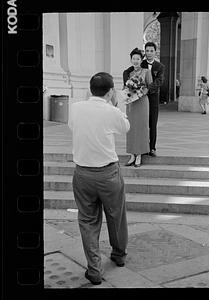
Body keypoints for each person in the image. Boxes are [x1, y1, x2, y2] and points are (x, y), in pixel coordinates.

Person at [68, 72, 130, 285]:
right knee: (116, 216)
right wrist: (115, 105)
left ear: (90, 89)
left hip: (83, 174)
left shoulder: (75, 108)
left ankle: (94, 269)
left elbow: (72, 127)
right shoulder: (111, 111)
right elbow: (125, 128)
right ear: (111, 91)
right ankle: (119, 255)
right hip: (108, 174)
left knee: (87, 220)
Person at [124, 42, 165, 157]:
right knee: (142, 124)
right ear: (145, 52)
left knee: (152, 123)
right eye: (147, 51)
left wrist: (147, 89)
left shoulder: (160, 66)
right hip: (140, 99)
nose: (149, 53)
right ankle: (143, 148)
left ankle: (152, 147)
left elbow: (159, 81)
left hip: (152, 98)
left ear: (155, 52)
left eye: (151, 51)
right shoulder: (141, 63)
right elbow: (128, 72)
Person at [123, 48, 153, 167]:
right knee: (130, 127)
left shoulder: (146, 72)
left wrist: (140, 92)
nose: (135, 61)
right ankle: (132, 154)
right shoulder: (128, 74)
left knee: (141, 127)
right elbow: (125, 88)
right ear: (131, 60)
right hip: (131, 102)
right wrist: (127, 92)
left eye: (138, 59)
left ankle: (139, 154)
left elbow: (150, 86)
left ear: (141, 60)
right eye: (133, 58)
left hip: (142, 102)